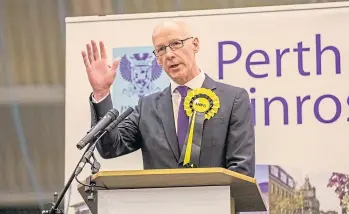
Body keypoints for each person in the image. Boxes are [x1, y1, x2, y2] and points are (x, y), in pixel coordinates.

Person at [81, 19, 255, 177]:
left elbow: (241, 170)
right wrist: (101, 92)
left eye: (176, 44)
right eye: (161, 49)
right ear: (157, 59)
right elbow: (110, 147)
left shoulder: (233, 99)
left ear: (195, 45)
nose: (169, 54)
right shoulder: (147, 107)